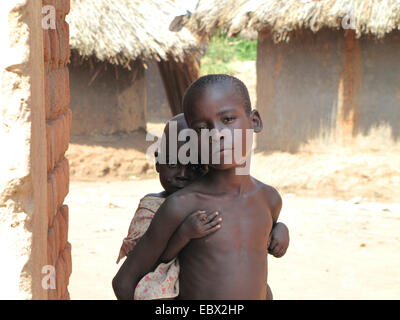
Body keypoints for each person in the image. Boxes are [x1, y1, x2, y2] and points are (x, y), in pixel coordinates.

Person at [113, 75, 288, 299]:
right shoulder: (182, 206)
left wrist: (281, 229)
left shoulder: (269, 199)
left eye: (227, 119)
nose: (216, 135)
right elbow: (124, 283)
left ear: (254, 121)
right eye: (202, 128)